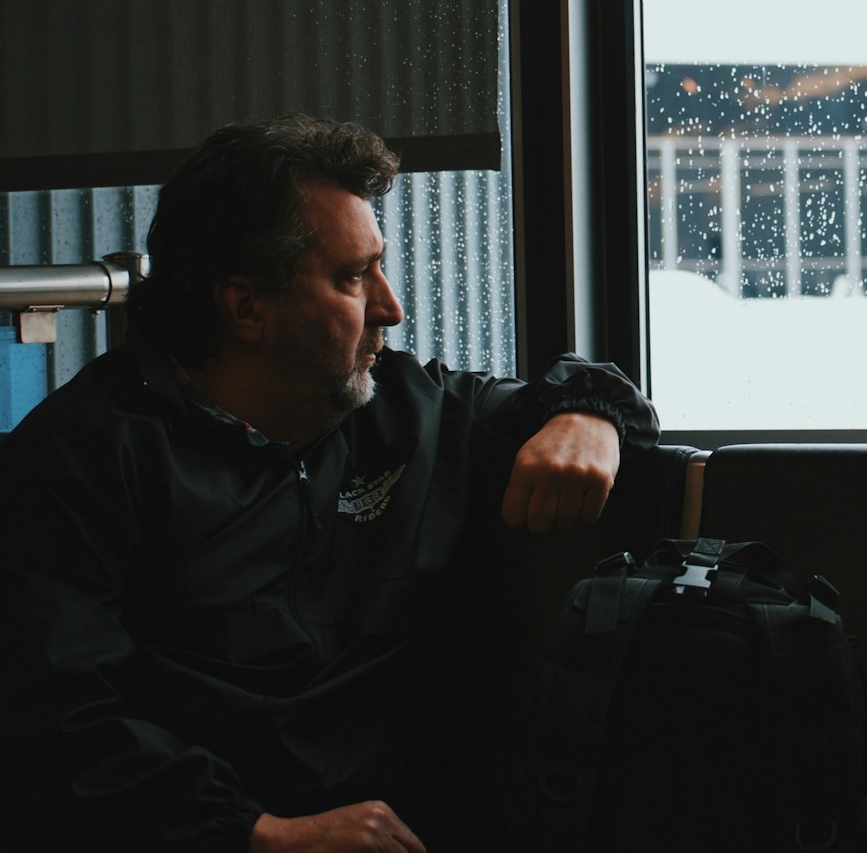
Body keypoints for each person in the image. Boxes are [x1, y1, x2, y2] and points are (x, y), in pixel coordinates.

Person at [0, 114, 661, 852]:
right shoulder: (83, 457)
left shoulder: (402, 411)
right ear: (247, 307)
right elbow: (52, 720)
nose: (391, 307)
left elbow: (580, 395)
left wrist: (588, 415)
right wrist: (260, 834)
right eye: (353, 277)